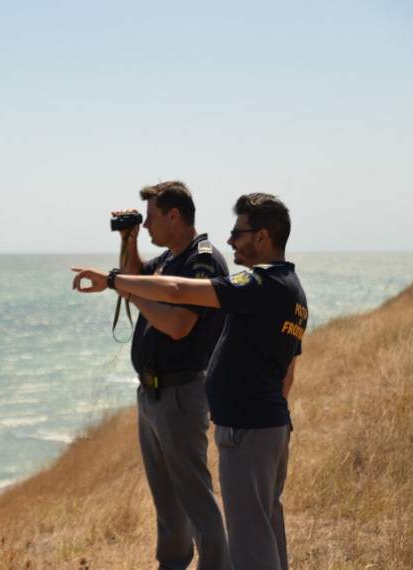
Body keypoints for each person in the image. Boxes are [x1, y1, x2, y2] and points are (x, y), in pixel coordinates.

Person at [73, 193, 307, 570]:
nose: (230, 241)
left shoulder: (257, 283)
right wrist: (128, 242)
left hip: (247, 427)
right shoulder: (292, 288)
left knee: (250, 546)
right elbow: (287, 375)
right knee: (264, 534)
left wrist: (114, 281)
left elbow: (179, 296)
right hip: (263, 424)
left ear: (262, 237)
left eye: (238, 232)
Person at [111, 181, 231, 570]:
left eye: (149, 218)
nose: (146, 225)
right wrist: (128, 239)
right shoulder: (166, 259)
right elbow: (135, 274)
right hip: (152, 396)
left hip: (181, 393)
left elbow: (179, 325)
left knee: (196, 500)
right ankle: (173, 565)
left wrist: (129, 292)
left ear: (174, 216)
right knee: (167, 502)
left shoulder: (204, 259)